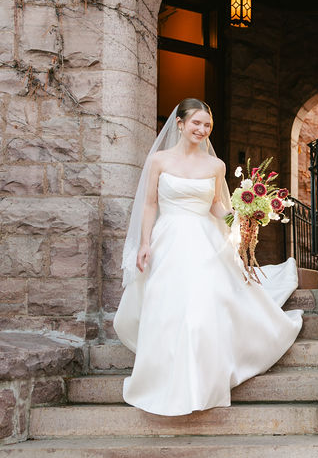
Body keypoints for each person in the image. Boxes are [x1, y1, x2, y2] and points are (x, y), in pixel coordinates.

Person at [114, 99, 302, 416]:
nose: (202, 130)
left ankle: (200, 383)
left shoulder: (216, 167)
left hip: (204, 239)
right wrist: (144, 243)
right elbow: (149, 205)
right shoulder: (159, 160)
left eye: (207, 126)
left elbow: (217, 205)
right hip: (169, 238)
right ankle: (163, 377)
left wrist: (238, 222)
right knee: (168, 307)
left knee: (200, 311)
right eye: (196, 123)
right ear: (180, 124)